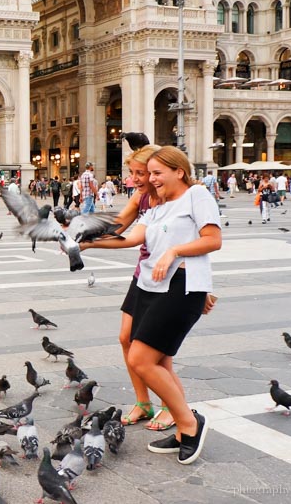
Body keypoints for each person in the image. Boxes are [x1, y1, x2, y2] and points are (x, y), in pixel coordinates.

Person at [82, 146, 221, 465]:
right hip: (151, 286)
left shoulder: (197, 195)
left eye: (158, 173)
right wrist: (86, 242)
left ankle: (190, 422)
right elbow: (131, 238)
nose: (151, 179)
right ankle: (183, 428)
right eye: (150, 173)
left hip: (182, 285)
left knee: (142, 359)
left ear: (179, 172)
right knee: (149, 357)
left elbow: (213, 240)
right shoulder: (158, 207)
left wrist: (174, 252)